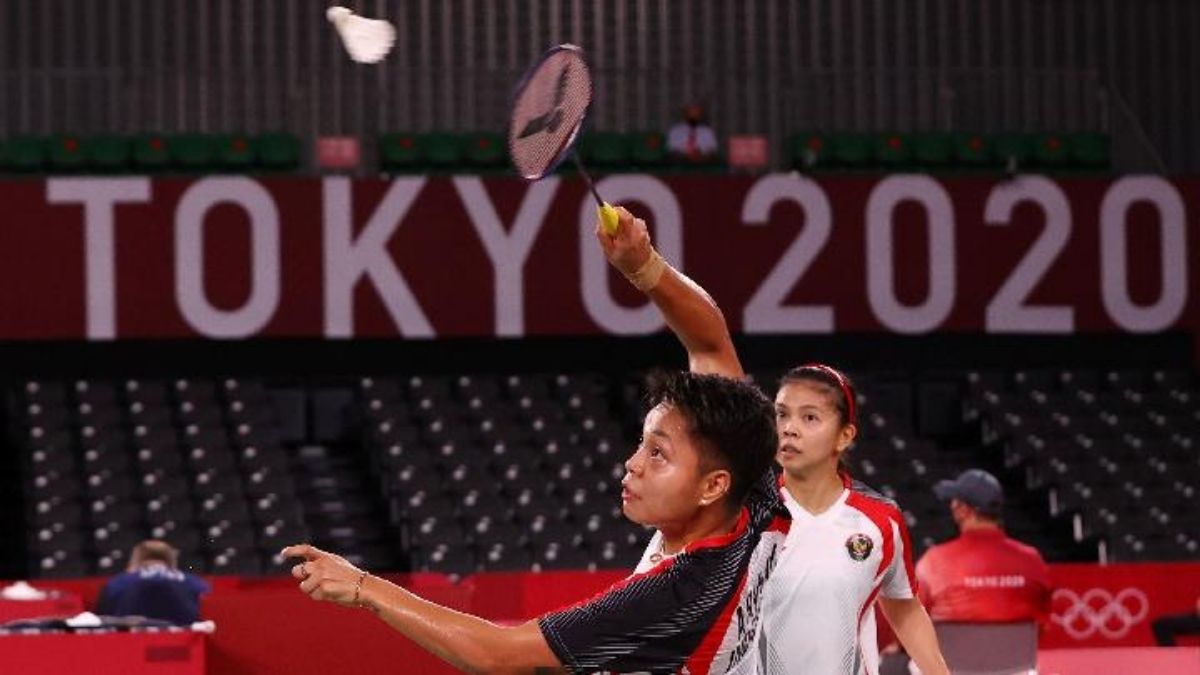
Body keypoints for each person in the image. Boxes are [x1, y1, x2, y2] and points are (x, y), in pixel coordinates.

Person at [597, 206, 949, 675]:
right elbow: (709, 344)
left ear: (845, 436)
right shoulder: (745, 502)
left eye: (810, 417)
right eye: (782, 414)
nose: (790, 428)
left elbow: (903, 605)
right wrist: (644, 267)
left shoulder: (879, 521)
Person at [285, 370, 788, 674]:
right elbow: (710, 342)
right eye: (642, 443)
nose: (632, 464)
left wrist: (364, 587)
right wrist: (645, 269)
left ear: (712, 486)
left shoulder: (673, 595)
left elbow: (495, 657)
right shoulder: (759, 500)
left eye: (658, 454)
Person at [916, 469, 1051, 624]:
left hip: (953, 641)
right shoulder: (1032, 559)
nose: (952, 506)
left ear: (962, 510)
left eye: (955, 501)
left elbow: (912, 621)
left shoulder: (934, 561)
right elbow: (1043, 621)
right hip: (1017, 640)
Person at [95, 540, 210, 625]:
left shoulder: (118, 583)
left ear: (136, 558)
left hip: (130, 644)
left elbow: (102, 620)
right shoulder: (195, 583)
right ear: (171, 559)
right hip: (183, 645)